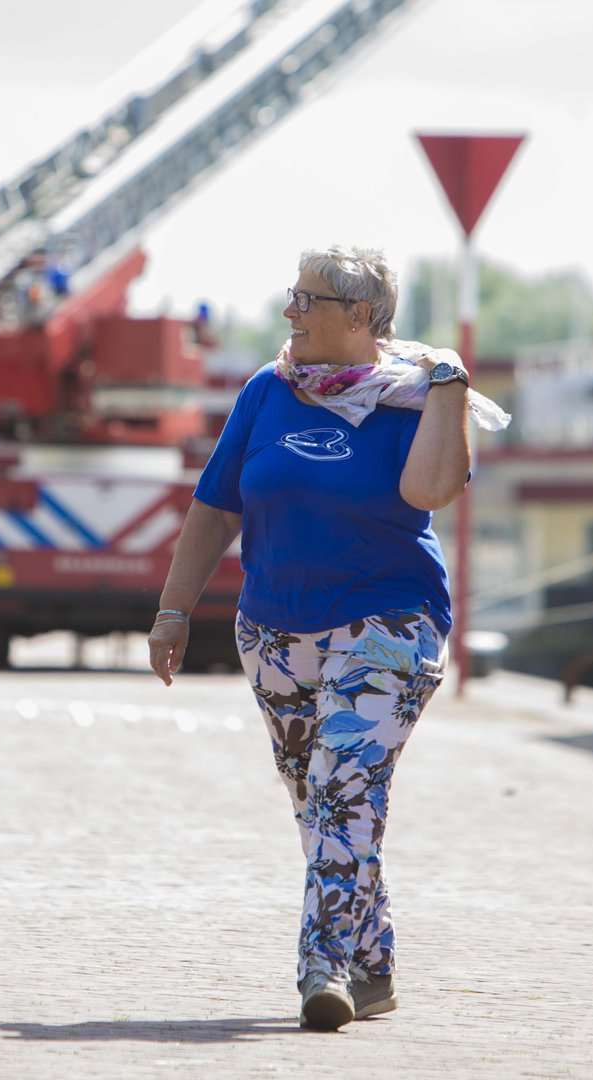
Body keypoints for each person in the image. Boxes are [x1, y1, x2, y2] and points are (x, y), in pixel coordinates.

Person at [147, 245, 509, 1031]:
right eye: (294, 295)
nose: (291, 312)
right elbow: (215, 507)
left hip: (390, 622)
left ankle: (326, 967)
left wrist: (449, 383)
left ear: (359, 316)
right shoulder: (267, 391)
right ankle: (373, 965)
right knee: (319, 802)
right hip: (275, 631)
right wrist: (174, 611)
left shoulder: (417, 397)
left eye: (308, 300)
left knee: (345, 788)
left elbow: (429, 489)